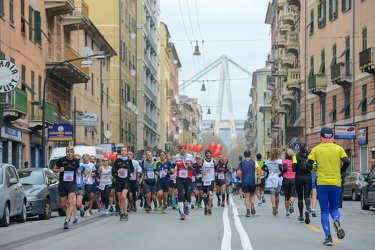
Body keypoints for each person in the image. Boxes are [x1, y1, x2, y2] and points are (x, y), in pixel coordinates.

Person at [306, 127, 350, 246]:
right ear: (332, 137)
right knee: (334, 209)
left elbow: (308, 164)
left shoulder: (316, 149)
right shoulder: (339, 148)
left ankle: (328, 237)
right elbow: (347, 161)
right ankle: (336, 220)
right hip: (335, 182)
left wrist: (313, 168)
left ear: (321, 137)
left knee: (324, 211)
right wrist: (340, 171)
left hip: (322, 183)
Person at [53, 146, 80, 229]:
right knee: (64, 204)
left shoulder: (76, 161)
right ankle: (69, 212)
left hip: (72, 183)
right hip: (62, 183)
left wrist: (79, 171)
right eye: (68, 152)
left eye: (71, 152)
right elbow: (54, 169)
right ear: (66, 152)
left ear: (73, 153)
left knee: (71, 201)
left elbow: (78, 169)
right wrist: (59, 170)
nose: (69, 153)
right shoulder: (61, 160)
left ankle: (66, 221)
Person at [172, 143, 196, 220]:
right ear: (179, 150)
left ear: (186, 149)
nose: (183, 150)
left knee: (188, 195)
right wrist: (172, 168)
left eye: (184, 148)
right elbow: (172, 164)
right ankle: (182, 213)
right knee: (180, 195)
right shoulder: (177, 157)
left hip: (188, 178)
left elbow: (196, 166)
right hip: (179, 178)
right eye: (181, 148)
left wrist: (191, 165)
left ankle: (186, 204)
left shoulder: (190, 157)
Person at [112, 146, 134, 221]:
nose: (123, 152)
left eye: (125, 151)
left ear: (127, 152)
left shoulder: (129, 161)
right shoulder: (117, 161)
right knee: (120, 197)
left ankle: (125, 212)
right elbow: (113, 171)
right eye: (122, 151)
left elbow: (132, 169)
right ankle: (121, 212)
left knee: (124, 196)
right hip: (118, 181)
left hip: (126, 180)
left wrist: (131, 173)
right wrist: (117, 171)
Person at [237, 150, 262, 217]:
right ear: (250, 155)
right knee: (252, 195)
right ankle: (252, 205)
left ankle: (248, 211)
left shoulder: (241, 163)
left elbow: (238, 172)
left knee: (247, 196)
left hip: (245, 181)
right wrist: (259, 179)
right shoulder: (254, 162)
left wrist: (242, 177)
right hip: (252, 181)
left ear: (244, 155)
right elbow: (259, 170)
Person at [292, 143, 312, 224]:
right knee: (307, 196)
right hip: (308, 177)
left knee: (300, 198)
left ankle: (301, 216)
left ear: (299, 149)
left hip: (299, 178)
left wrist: (296, 169)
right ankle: (307, 209)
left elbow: (293, 167)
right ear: (306, 148)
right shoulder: (310, 156)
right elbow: (313, 166)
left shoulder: (295, 156)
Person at [262, 148, 283, 216]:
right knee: (277, 194)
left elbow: (263, 167)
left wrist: (268, 171)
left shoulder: (268, 161)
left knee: (272, 193)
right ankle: (276, 208)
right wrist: (281, 172)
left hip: (270, 177)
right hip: (277, 177)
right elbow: (280, 168)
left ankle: (273, 205)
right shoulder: (279, 161)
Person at [281, 149, 296, 218]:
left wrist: (281, 173)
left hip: (286, 179)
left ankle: (287, 212)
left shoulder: (284, 161)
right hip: (293, 179)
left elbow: (284, 168)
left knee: (286, 197)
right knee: (292, 194)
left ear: (286, 155)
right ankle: (292, 205)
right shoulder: (294, 161)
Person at [201, 149, 215, 215]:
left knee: (211, 193)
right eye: (207, 153)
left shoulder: (213, 161)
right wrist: (201, 172)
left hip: (211, 179)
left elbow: (217, 168)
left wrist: (217, 172)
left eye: (209, 153)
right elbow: (198, 168)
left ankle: (209, 207)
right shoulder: (203, 161)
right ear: (205, 154)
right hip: (204, 180)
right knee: (205, 194)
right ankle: (205, 206)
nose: (208, 154)